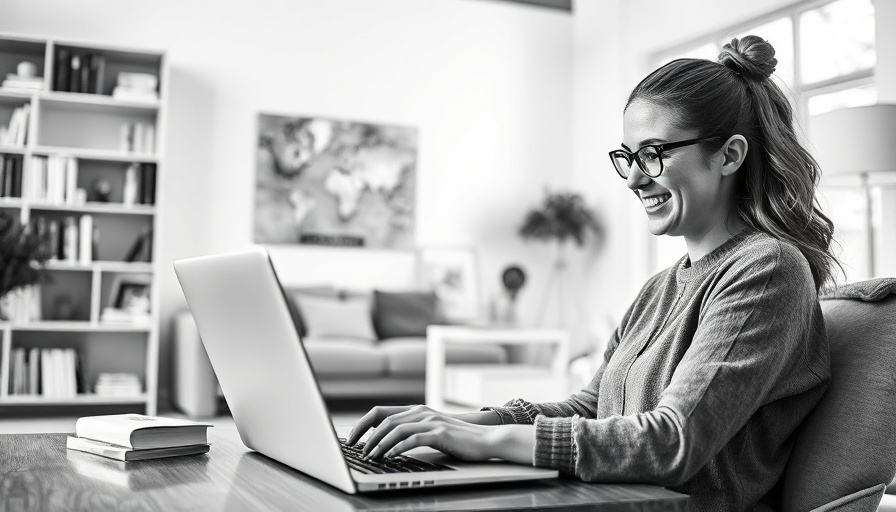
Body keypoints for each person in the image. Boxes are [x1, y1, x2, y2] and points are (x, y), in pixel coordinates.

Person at [347, 35, 837, 511]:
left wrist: (487, 439)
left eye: (653, 153)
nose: (632, 177)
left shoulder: (767, 269)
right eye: (627, 156)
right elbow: (592, 404)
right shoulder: (662, 287)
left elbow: (670, 443)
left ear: (729, 155)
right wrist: (456, 421)